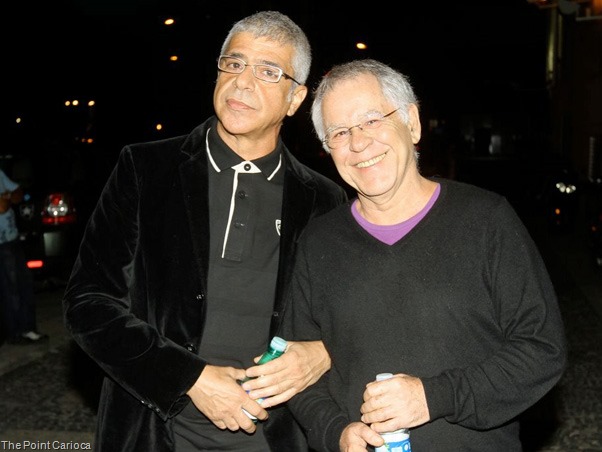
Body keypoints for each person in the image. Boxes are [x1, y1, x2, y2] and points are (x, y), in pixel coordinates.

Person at [62, 11, 347, 452]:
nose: (242, 82)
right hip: (155, 431)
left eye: (268, 71)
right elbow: (88, 303)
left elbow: (351, 315)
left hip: (274, 437)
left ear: (295, 99)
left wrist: (324, 352)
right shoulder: (146, 170)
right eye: (234, 63)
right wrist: (189, 378)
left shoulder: (323, 200)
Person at [281, 59, 567, 451]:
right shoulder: (319, 243)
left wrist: (434, 397)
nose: (358, 143)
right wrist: (336, 431)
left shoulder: (486, 220)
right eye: (340, 132)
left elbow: (542, 350)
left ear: (412, 123)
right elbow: (299, 372)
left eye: (371, 121)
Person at [0, 168, 48, 346]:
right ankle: (15, 333)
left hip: (13, 238)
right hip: (1, 244)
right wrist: (7, 197)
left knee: (25, 284)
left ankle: (28, 329)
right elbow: (3, 207)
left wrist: (7, 196)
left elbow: (18, 193)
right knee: (10, 289)